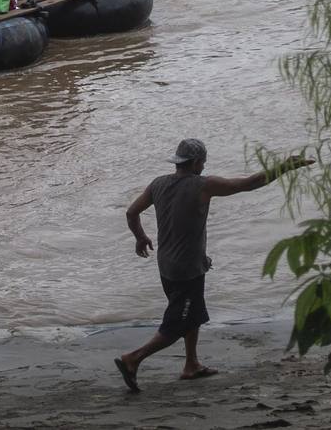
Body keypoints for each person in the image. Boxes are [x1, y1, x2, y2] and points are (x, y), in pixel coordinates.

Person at [114, 139, 315, 393]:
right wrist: (285, 167)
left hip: (167, 265)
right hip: (186, 269)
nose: (205, 165)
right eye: (204, 161)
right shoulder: (203, 185)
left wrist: (140, 238)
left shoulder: (158, 184)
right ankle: (134, 358)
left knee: (191, 313)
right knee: (178, 322)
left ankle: (191, 364)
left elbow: (131, 213)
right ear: (197, 162)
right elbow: (248, 184)